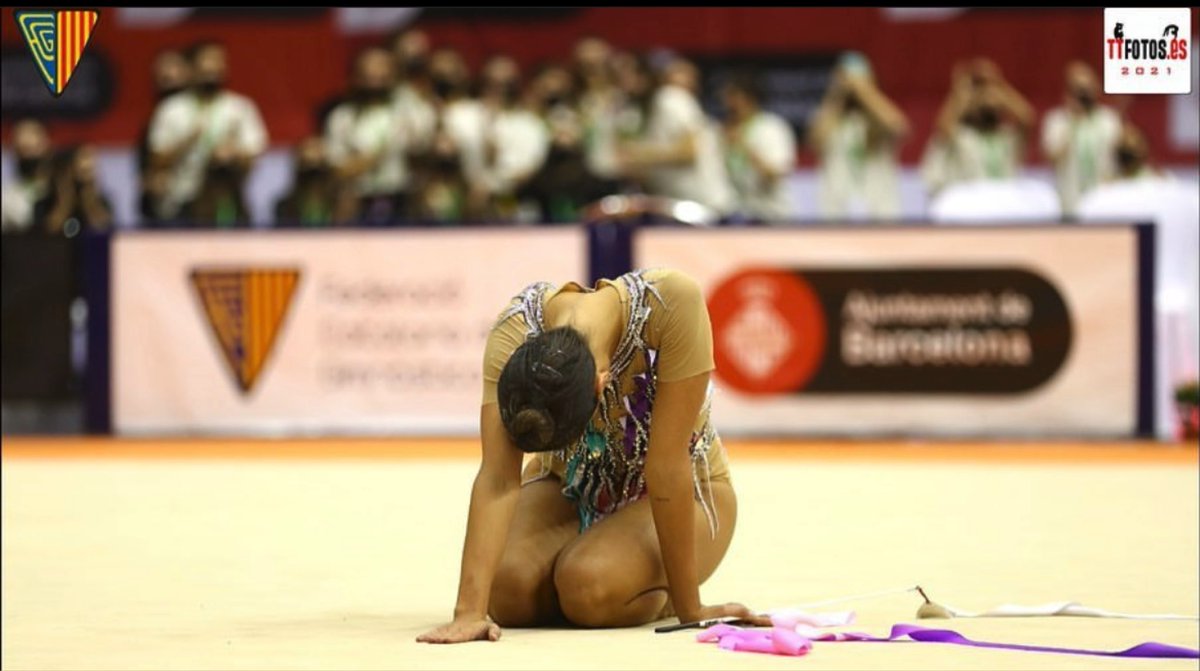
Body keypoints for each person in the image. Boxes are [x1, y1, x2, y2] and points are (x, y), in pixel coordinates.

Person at [417, 268, 761, 643]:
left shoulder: (672, 304)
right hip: (567, 485)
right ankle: (584, 570)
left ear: (601, 383)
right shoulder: (514, 332)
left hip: (683, 491)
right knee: (506, 593)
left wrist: (689, 609)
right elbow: (499, 478)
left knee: (589, 588)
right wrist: (470, 612)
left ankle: (624, 585)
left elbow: (666, 467)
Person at [147, 40, 268, 225]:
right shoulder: (171, 109)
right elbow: (156, 160)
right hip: (182, 201)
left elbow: (253, 155)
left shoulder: (240, 108)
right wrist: (188, 141)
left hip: (228, 200)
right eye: (206, 61)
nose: (211, 68)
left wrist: (233, 153)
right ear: (191, 68)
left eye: (218, 62)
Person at [615, 57, 735, 216]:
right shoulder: (634, 112)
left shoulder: (672, 99)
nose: (623, 82)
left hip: (706, 204)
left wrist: (639, 155)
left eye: (628, 75)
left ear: (645, 76)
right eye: (618, 76)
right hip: (670, 205)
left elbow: (689, 152)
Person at [809, 53, 908, 220]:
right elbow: (816, 141)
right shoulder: (831, 117)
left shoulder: (878, 118)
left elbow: (898, 127)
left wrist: (864, 90)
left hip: (880, 213)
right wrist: (837, 93)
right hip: (836, 214)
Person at [920, 58, 1034, 197]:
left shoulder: (1006, 137)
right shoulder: (963, 137)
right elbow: (944, 126)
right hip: (971, 206)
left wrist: (997, 82)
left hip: (1004, 204)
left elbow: (1026, 118)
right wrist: (961, 89)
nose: (985, 100)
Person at [325, 47, 409, 225]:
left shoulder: (409, 111)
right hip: (359, 200)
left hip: (404, 197)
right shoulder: (342, 117)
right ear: (356, 75)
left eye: (381, 67)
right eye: (368, 69)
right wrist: (371, 159)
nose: (375, 74)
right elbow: (337, 168)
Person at [1040, 61, 1122, 217]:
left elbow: (1120, 160)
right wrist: (1074, 121)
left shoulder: (1109, 120)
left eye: (1087, 89)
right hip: (1069, 206)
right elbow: (1052, 157)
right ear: (1068, 91)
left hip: (1105, 205)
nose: (1084, 95)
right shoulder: (1057, 120)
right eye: (1078, 90)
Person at [721, 72, 798, 223]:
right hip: (739, 214)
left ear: (750, 98)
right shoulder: (723, 131)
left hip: (772, 215)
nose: (728, 104)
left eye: (733, 97)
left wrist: (745, 148)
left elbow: (775, 174)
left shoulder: (771, 127)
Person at [139, 49, 193, 225]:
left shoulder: (197, 113)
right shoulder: (151, 121)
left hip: (193, 203)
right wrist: (150, 178)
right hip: (158, 207)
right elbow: (146, 163)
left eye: (174, 70)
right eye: (162, 75)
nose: (168, 76)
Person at [274, 137, 355, 227]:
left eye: (319, 173)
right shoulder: (285, 206)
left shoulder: (342, 205)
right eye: (308, 173)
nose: (314, 180)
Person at [33, 145, 113, 235]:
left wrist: (90, 201)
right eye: (82, 170)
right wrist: (65, 200)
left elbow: (104, 230)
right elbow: (46, 233)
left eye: (90, 170)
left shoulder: (103, 203)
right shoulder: (44, 205)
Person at [1, 119, 53, 233]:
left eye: (33, 149)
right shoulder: (8, 191)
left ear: (46, 145)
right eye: (22, 150)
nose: (28, 157)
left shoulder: (59, 183)